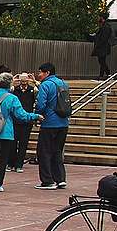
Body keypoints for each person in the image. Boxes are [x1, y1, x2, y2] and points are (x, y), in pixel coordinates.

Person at [0, 72, 42, 193]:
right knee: (3, 158)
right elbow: (21, 115)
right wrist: (35, 116)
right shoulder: (12, 98)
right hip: (5, 132)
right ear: (9, 84)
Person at [34, 62, 70, 190]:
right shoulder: (63, 83)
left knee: (43, 151)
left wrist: (37, 115)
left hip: (49, 123)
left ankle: (47, 180)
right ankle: (60, 179)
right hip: (63, 122)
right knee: (57, 151)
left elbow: (41, 105)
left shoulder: (46, 85)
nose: (38, 75)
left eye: (40, 72)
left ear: (47, 72)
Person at [9, 74, 38, 172]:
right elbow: (7, 92)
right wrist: (12, 81)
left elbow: (41, 93)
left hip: (27, 120)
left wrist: (35, 82)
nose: (24, 83)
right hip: (15, 120)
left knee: (23, 144)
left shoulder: (32, 90)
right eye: (22, 81)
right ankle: (11, 163)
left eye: (26, 81)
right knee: (12, 143)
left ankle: (19, 165)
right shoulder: (14, 90)